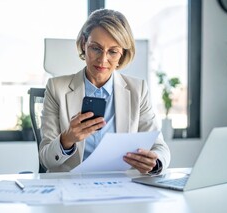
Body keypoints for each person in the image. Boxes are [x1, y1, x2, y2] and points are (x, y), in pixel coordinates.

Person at [39, 9, 170, 174]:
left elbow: (159, 146)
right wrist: (67, 139)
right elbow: (46, 159)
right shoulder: (56, 88)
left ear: (122, 54)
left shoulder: (138, 90)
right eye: (96, 48)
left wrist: (155, 162)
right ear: (83, 44)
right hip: (71, 187)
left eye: (113, 52)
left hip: (120, 186)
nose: (102, 59)